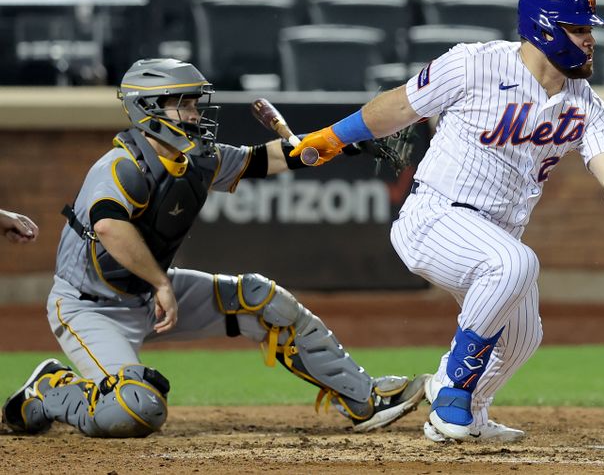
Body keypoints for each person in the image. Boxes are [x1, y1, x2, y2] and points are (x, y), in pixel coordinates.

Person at [288, 0, 604, 443]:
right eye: (577, 27)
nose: (589, 39)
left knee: (523, 337)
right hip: (435, 217)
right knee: (516, 264)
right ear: (544, 28)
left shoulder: (587, 105)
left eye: (590, 29)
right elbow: (401, 106)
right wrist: (333, 136)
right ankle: (451, 391)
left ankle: (469, 415)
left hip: (496, 237)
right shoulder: (474, 64)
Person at [1, 58, 428, 438]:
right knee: (135, 410)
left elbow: (274, 158)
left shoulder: (198, 158)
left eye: (194, 104)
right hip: (90, 306)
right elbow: (110, 227)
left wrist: (344, 141)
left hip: (149, 294)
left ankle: (363, 398)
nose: (194, 114)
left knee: (261, 299)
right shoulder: (120, 165)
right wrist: (161, 285)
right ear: (149, 109)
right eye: (183, 104)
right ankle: (50, 390)